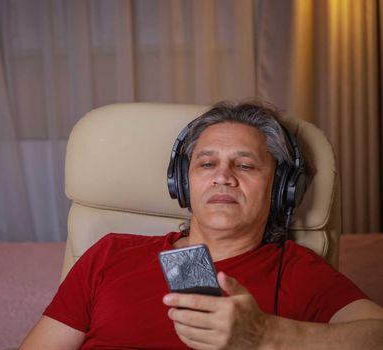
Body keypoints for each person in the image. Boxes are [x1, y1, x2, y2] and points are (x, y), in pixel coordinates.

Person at [19, 102, 383, 349]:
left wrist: (266, 334)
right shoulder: (110, 252)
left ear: (280, 190)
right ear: (182, 181)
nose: (223, 177)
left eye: (245, 165)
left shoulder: (299, 271)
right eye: (207, 164)